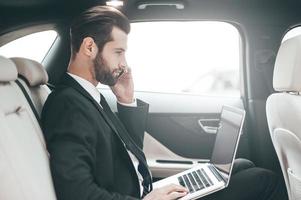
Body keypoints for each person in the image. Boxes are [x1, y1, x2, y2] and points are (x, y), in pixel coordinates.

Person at [41, 5, 288, 200]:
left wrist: (126, 101)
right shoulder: (67, 105)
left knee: (242, 165)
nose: (124, 63)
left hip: (144, 190)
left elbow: (126, 155)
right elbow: (76, 193)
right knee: (265, 180)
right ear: (89, 47)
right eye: (118, 52)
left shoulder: (88, 95)